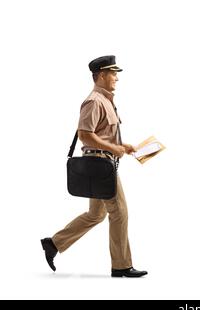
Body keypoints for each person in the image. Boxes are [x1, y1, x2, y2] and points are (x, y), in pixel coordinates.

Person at [41, 55, 148, 278]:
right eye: (113, 73)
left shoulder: (106, 100)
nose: (116, 78)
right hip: (101, 166)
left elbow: (101, 134)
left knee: (95, 214)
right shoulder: (94, 101)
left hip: (103, 161)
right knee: (119, 213)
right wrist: (112, 148)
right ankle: (121, 266)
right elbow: (85, 135)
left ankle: (53, 243)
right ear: (101, 75)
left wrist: (122, 147)